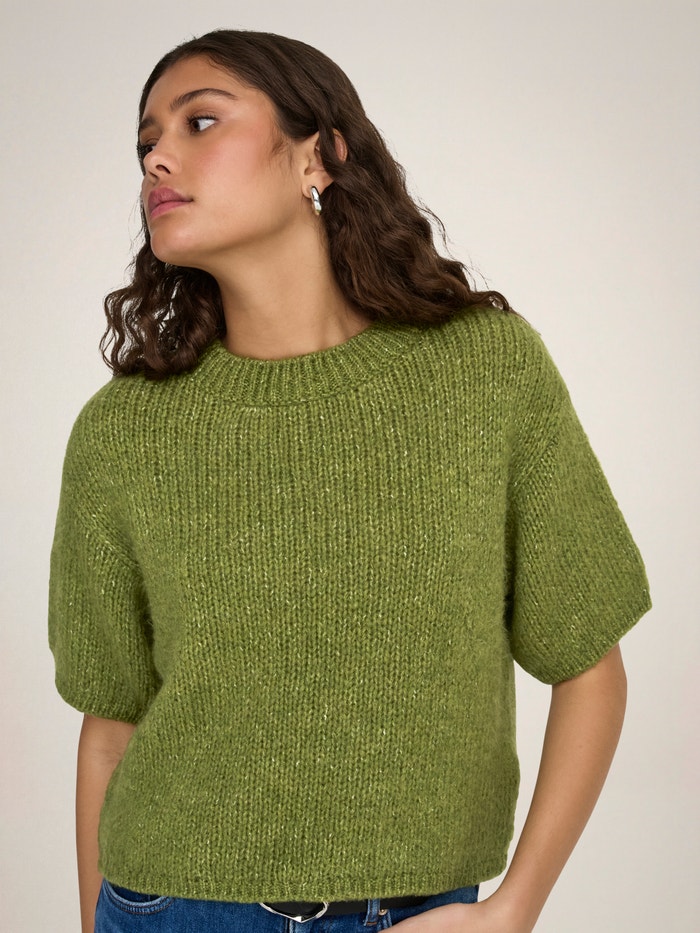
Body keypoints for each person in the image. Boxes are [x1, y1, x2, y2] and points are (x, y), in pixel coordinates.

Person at [48, 29, 651, 933]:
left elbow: (590, 663)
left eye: (200, 121)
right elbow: (111, 725)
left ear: (319, 156)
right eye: (146, 144)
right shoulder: (123, 432)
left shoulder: (484, 371)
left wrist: (514, 908)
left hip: (419, 913)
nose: (157, 159)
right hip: (170, 906)